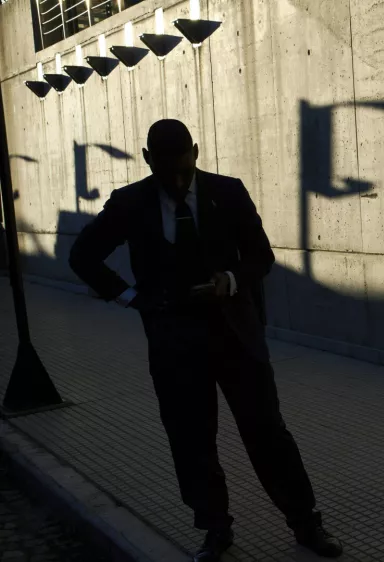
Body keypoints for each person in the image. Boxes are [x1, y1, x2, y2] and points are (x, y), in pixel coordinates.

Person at [69, 120, 343, 561]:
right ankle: (215, 529)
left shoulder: (228, 191)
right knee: (191, 440)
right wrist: (131, 298)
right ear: (146, 159)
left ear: (195, 153)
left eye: (182, 170)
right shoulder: (129, 203)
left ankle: (305, 522)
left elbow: (261, 256)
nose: (176, 182)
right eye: (165, 172)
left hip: (236, 336)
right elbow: (81, 255)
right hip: (173, 340)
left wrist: (231, 280)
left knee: (268, 433)